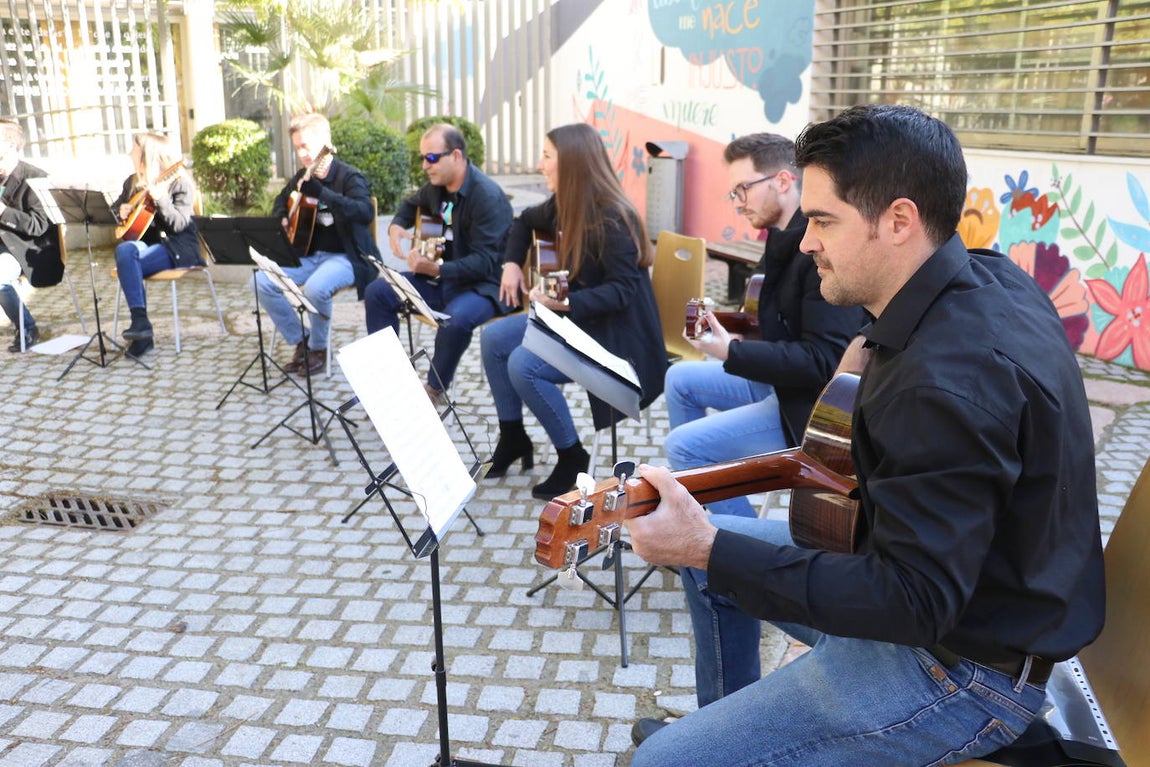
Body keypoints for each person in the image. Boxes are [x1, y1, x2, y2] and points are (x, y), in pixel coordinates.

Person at [626, 104, 1105, 766]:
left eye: (824, 221)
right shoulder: (991, 277)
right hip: (947, 597)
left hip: (962, 670)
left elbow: (912, 602)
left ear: (899, 221)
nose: (805, 242)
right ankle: (732, 728)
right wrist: (864, 353)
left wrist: (706, 545)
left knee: (662, 760)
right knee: (714, 566)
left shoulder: (941, 386)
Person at [664, 133, 862, 517]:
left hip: (807, 405)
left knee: (684, 446)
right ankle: (707, 502)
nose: (738, 202)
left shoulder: (817, 252)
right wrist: (733, 330)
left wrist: (732, 351)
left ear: (783, 181)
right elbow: (766, 319)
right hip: (778, 382)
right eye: (734, 193)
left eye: (743, 189)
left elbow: (824, 362)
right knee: (679, 378)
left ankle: (729, 542)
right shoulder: (780, 238)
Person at [480, 122, 667, 499]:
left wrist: (565, 303)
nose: (539, 164)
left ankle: (571, 455)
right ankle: (513, 435)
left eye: (547, 156)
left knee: (523, 364)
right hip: (579, 322)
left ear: (573, 163)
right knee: (493, 337)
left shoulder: (613, 217)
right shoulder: (566, 203)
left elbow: (621, 292)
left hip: (616, 338)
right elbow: (524, 221)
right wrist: (512, 264)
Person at [364, 123, 512, 402]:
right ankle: (389, 380)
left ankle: (433, 390)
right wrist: (396, 225)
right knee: (378, 291)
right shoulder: (437, 188)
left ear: (455, 156)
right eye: (422, 158)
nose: (424, 166)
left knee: (456, 321)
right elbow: (410, 204)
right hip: (441, 279)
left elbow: (485, 263)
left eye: (431, 158)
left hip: (483, 287)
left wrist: (436, 269)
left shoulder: (487, 197)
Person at [259, 113, 381, 375]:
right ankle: (301, 340)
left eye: (305, 146)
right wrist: (281, 215)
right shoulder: (302, 176)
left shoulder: (349, 177)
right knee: (261, 281)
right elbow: (280, 200)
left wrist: (323, 193)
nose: (301, 154)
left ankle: (318, 349)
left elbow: (364, 212)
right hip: (308, 255)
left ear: (325, 141)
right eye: (297, 148)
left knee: (316, 288)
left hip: (347, 257)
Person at [112, 133, 203, 357]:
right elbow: (115, 213)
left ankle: (142, 333)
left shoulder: (179, 183)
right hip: (145, 246)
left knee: (129, 265)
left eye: (133, 150)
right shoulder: (132, 183)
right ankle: (141, 322)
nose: (129, 154)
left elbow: (180, 224)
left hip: (177, 247)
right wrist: (121, 211)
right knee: (124, 250)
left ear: (147, 155)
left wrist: (161, 199)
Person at [0, 119, 61, 352]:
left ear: (11, 147)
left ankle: (27, 327)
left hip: (26, 250)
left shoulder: (37, 178)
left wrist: (4, 212)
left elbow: (38, 226)